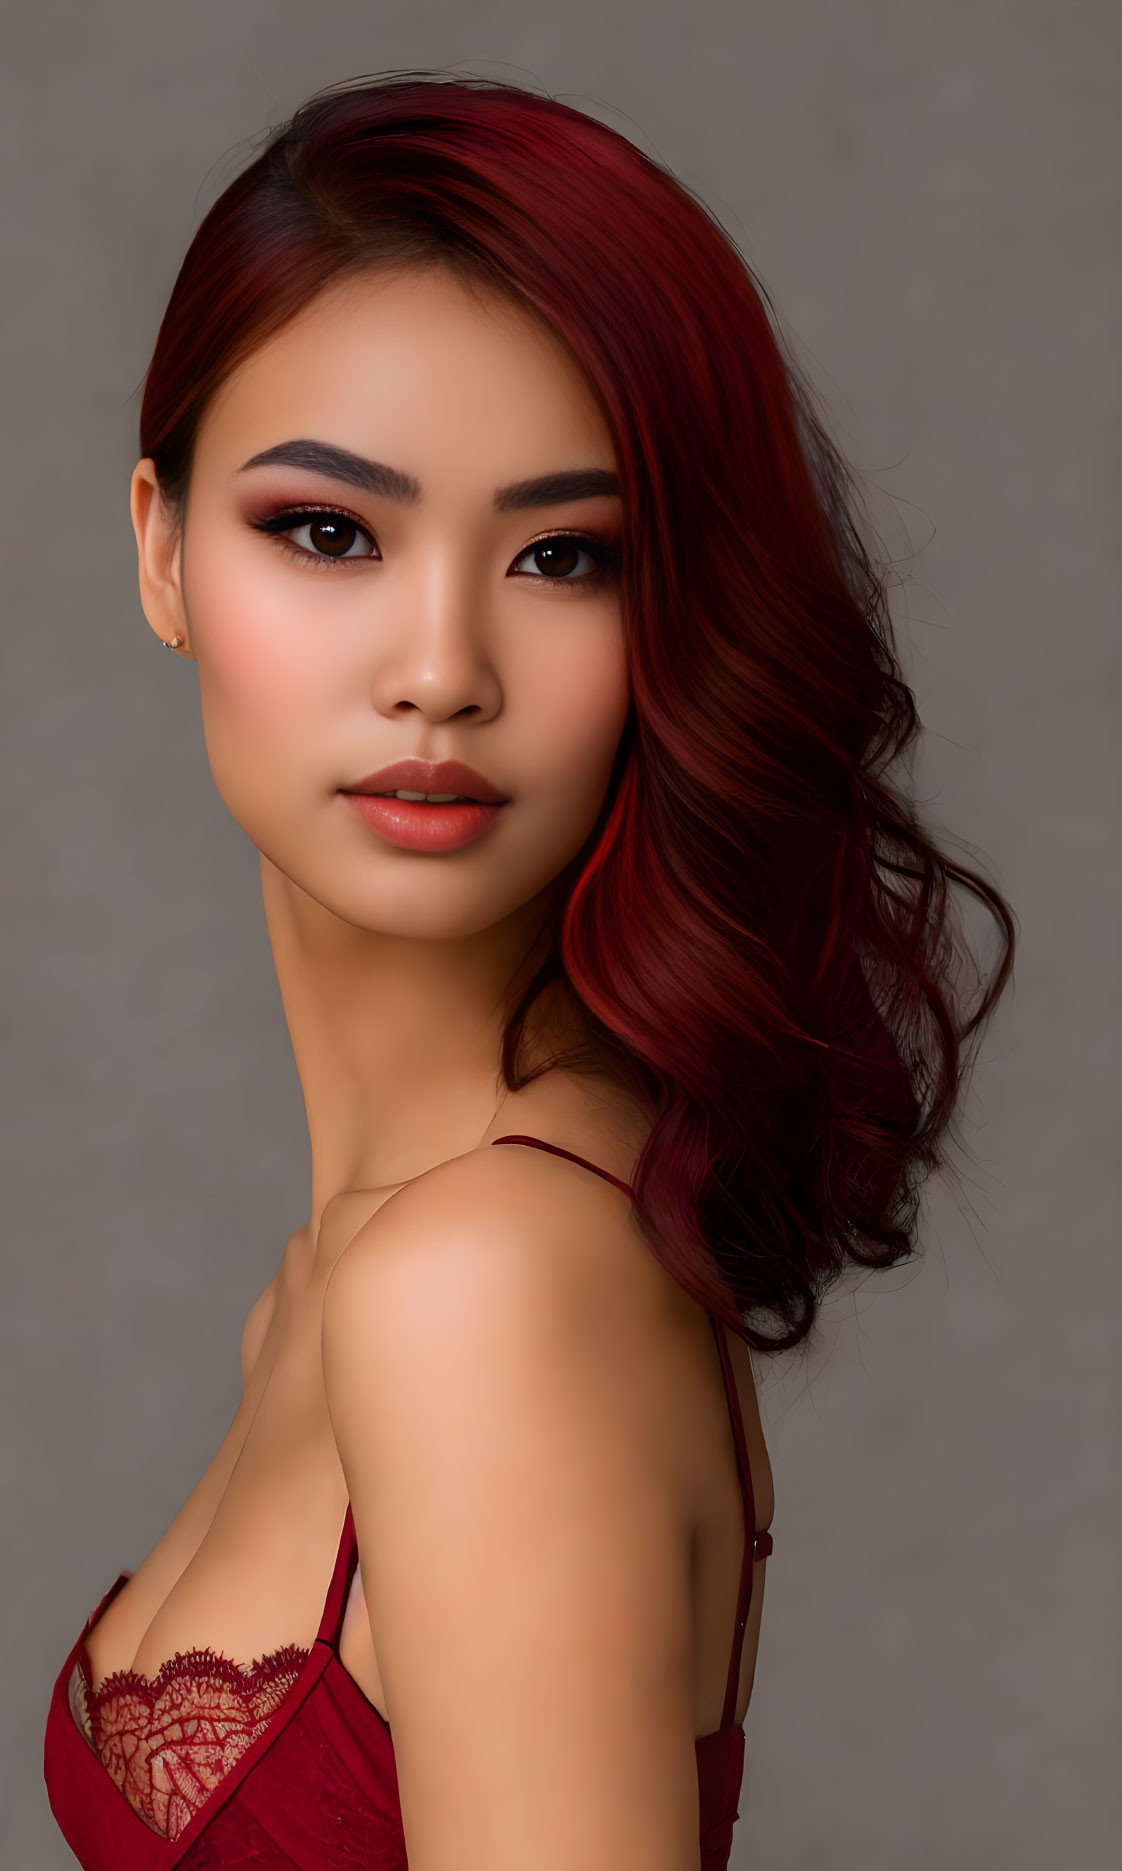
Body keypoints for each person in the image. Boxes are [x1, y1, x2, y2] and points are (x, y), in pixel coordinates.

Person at [42, 70, 1015, 1870]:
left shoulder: (483, 1293)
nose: (440, 668)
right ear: (161, 550)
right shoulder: (369, 1268)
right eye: (327, 530)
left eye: (565, 556)